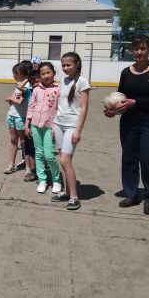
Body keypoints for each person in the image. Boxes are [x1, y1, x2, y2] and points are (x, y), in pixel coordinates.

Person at [104, 35, 149, 215]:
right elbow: (121, 97)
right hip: (129, 123)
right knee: (129, 158)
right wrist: (113, 110)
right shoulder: (126, 72)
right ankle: (131, 194)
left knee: (148, 158)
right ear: (132, 50)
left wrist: (136, 102)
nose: (139, 52)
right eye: (136, 49)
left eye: (143, 48)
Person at [50, 52, 91, 210]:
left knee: (65, 160)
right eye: (63, 65)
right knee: (62, 159)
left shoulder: (83, 81)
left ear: (77, 64)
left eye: (68, 65)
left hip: (72, 126)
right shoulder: (63, 81)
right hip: (59, 124)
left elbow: (84, 108)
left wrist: (78, 130)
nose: (66, 68)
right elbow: (58, 105)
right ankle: (66, 193)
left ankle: (74, 197)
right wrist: (54, 125)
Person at [24, 62, 62, 194]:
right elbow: (31, 107)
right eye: (43, 74)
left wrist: (55, 127)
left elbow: (60, 109)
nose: (46, 76)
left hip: (50, 127)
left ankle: (57, 180)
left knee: (49, 155)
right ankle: (42, 180)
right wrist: (27, 125)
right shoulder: (36, 89)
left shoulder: (58, 89)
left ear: (54, 73)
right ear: (39, 76)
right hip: (35, 126)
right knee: (39, 154)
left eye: (48, 72)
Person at [3, 62, 29, 174]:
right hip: (12, 115)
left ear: (19, 74)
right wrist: (11, 99)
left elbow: (19, 101)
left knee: (23, 142)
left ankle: (28, 165)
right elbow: (11, 102)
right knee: (13, 140)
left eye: (14, 73)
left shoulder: (27, 86)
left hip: (21, 117)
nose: (13, 76)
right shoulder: (18, 85)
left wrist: (10, 98)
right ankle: (11, 164)